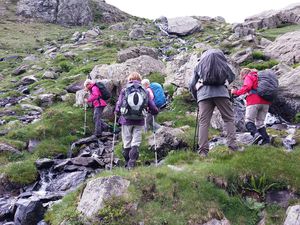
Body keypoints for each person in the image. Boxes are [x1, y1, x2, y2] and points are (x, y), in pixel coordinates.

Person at [189, 49, 239, 157]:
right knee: (229, 119)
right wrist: (223, 83)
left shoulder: (199, 65)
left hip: (204, 95)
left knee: (203, 123)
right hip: (222, 93)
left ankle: (203, 151)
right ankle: (232, 146)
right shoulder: (222, 63)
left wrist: (197, 97)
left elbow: (191, 84)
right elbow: (232, 76)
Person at [115, 72, 158, 169]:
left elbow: (120, 103)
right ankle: (132, 163)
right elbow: (152, 105)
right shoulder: (145, 91)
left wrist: (116, 111)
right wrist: (155, 111)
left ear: (129, 79)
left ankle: (127, 164)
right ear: (140, 80)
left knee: (127, 142)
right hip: (139, 120)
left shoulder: (125, 90)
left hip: (126, 120)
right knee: (135, 143)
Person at [231, 68, 271, 145]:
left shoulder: (249, 76)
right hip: (265, 102)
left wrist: (236, 92)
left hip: (254, 101)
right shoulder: (260, 77)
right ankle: (266, 141)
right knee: (260, 123)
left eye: (242, 76)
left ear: (243, 74)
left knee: (249, 121)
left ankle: (256, 135)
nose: (242, 78)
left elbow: (247, 87)